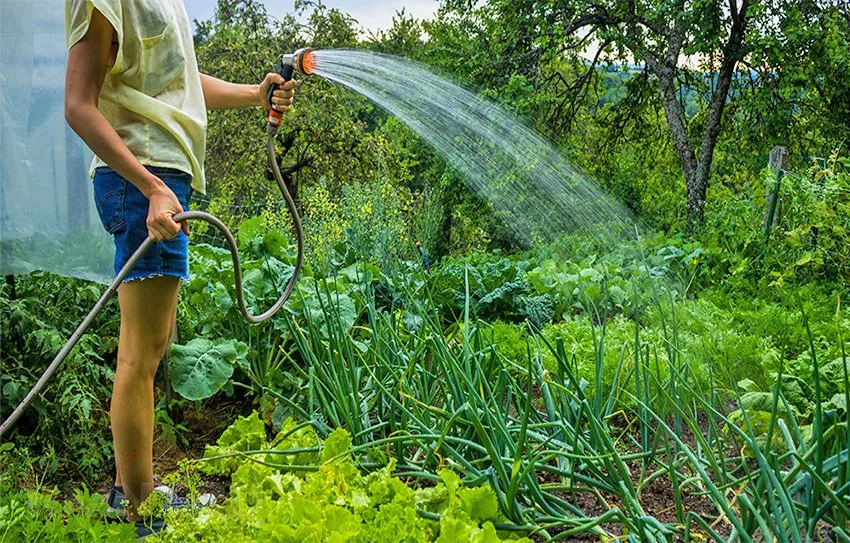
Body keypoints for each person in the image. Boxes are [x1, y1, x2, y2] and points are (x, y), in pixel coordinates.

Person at [64, 0, 297, 536]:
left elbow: (181, 85)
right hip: (143, 175)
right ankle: (139, 506)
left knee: (149, 343)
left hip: (163, 176)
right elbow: (78, 104)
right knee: (141, 352)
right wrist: (150, 187)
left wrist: (254, 93)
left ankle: (132, 490)